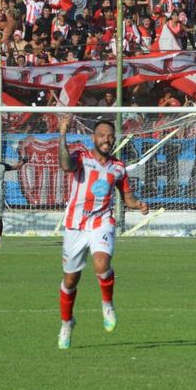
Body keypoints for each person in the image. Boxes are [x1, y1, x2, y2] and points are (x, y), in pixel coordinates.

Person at [55, 117, 148, 349]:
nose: (107, 139)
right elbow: (65, 165)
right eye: (102, 135)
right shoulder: (81, 157)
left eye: (110, 135)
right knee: (70, 279)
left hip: (102, 222)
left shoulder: (118, 167)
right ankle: (67, 323)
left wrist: (138, 205)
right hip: (76, 225)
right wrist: (63, 133)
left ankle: (107, 305)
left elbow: (127, 197)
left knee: (101, 263)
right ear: (93, 138)